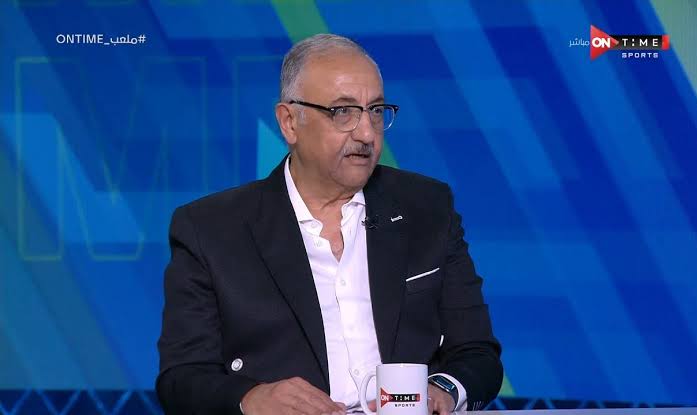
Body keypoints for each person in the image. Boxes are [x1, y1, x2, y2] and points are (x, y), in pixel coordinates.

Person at [156, 33, 503, 415]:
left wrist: (443, 391)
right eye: (343, 112)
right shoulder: (211, 229)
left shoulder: (427, 207)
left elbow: (478, 353)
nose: (367, 133)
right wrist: (250, 398)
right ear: (289, 122)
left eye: (375, 110)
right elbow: (182, 379)